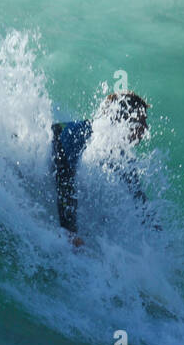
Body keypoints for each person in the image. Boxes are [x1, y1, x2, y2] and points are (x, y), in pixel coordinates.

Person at [51, 91, 150, 246]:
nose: (146, 127)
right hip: (53, 141)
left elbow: (140, 202)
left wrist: (168, 251)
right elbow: (65, 179)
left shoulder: (120, 154)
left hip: (62, 155)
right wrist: (69, 229)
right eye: (141, 121)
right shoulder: (90, 135)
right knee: (70, 233)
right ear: (125, 119)